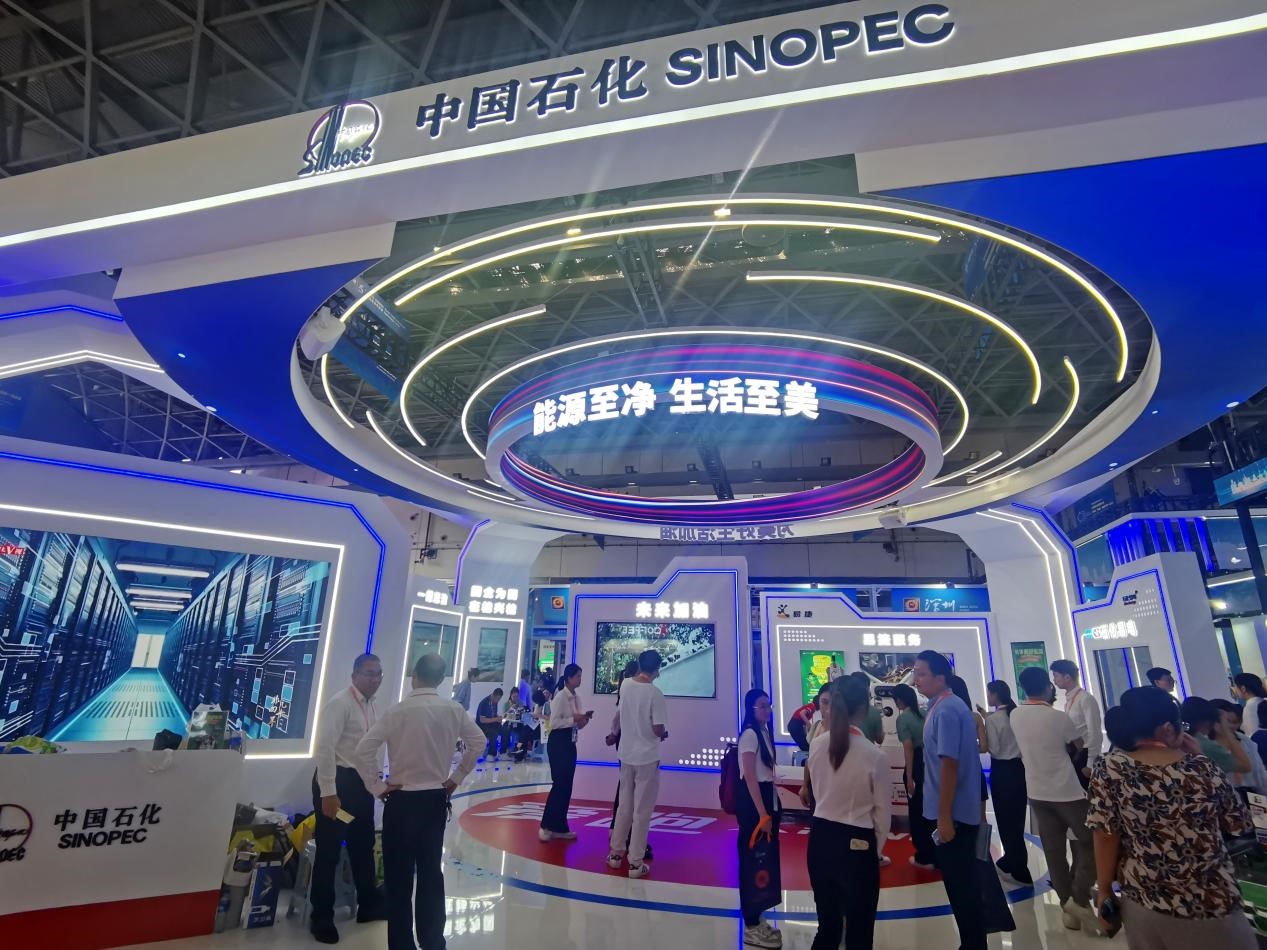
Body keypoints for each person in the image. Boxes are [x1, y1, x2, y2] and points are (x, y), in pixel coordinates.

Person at [1089, 686, 1256, 949]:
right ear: (1167, 729)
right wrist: (1199, 757)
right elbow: (1238, 823)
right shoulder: (1201, 766)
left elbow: (1105, 835)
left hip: (1144, 898)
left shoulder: (1109, 767)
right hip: (1211, 899)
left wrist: (1105, 890)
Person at [354, 653, 486, 950]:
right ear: (440, 679)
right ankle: (433, 942)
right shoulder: (453, 710)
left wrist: (377, 786)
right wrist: (456, 778)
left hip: (401, 800)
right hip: (435, 799)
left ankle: (402, 944)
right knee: (430, 874)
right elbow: (479, 742)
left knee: (399, 880)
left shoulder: (397, 711)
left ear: (414, 675)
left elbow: (363, 751)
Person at [801, 677, 890, 950]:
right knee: (859, 931)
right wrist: (874, 850)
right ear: (863, 708)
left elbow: (817, 790)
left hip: (820, 839)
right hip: (857, 844)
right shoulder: (874, 755)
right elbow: (883, 815)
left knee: (828, 927)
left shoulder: (817, 744)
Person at [1010, 666, 1095, 932]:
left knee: (1054, 851)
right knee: (1092, 840)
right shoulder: (1058, 717)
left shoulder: (1015, 715)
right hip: (1067, 791)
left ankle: (1067, 906)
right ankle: (1079, 897)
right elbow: (1079, 746)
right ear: (1048, 687)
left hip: (1036, 791)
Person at [309, 654, 387, 943]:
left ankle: (368, 904)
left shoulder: (371, 705)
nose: (375, 679)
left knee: (362, 846)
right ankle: (321, 917)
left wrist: (376, 785)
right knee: (329, 851)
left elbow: (367, 751)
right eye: (369, 673)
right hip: (337, 784)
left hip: (360, 785)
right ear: (354, 675)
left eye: (379, 674)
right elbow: (324, 749)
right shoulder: (340, 703)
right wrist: (329, 792)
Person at [913, 650, 987, 950]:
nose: (916, 680)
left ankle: (973, 944)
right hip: (950, 812)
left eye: (922, 674)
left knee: (962, 887)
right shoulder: (941, 706)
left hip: (954, 815)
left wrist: (944, 816)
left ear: (941, 677)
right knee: (958, 886)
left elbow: (949, 764)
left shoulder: (947, 710)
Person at [607, 650, 668, 878]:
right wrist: (662, 733)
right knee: (642, 811)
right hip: (647, 757)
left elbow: (621, 713)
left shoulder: (625, 685)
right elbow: (658, 729)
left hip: (626, 754)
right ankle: (635, 863)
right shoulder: (656, 694)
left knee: (624, 806)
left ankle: (616, 854)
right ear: (657, 669)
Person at [736, 689, 783, 948]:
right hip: (755, 804)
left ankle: (758, 915)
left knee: (763, 860)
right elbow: (750, 776)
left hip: (767, 798)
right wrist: (763, 813)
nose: (767, 710)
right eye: (762, 706)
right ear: (751, 709)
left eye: (768, 706)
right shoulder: (750, 735)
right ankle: (751, 923)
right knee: (752, 859)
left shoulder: (764, 732)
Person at [983, 680, 1031, 884]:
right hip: (1019, 769)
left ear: (995, 695)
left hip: (1002, 771)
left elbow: (994, 749)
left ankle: (1019, 869)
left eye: (989, 693)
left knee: (1005, 820)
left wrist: (983, 734)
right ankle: (1011, 861)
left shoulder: (993, 719)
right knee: (1017, 819)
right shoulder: (1017, 714)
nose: (988, 696)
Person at [606, 660, 654, 861]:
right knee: (632, 793)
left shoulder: (626, 688)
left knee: (626, 789)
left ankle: (620, 836)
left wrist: (613, 733)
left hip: (626, 744)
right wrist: (614, 733)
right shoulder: (634, 689)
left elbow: (618, 717)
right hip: (633, 746)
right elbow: (619, 717)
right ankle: (629, 841)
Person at [539, 663, 593, 842]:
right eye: (577, 676)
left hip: (570, 742)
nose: (580, 679)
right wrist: (573, 720)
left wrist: (583, 720)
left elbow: (575, 723)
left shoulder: (577, 698)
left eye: (580, 676)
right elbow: (554, 723)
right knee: (559, 784)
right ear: (569, 678)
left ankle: (560, 827)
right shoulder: (561, 696)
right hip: (558, 742)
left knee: (567, 786)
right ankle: (546, 825)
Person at [893, 683, 935, 870]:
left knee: (916, 811)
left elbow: (908, 748)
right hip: (930, 764)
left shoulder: (903, 719)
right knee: (930, 808)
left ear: (900, 700)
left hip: (916, 765)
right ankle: (934, 851)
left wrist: (909, 777)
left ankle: (923, 855)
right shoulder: (926, 714)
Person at [1050, 659, 1103, 789]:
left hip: (1085, 754)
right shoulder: (1069, 700)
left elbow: (1095, 732)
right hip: (1075, 752)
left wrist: (1090, 763)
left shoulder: (1086, 699)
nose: (1054, 680)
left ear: (1067, 677)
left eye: (1056, 676)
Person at [1182, 696, 1251, 779]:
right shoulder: (1207, 747)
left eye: (1234, 721)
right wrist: (1226, 731)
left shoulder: (1180, 741)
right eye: (1227, 721)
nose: (1232, 726)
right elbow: (1246, 766)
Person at [1212, 698, 1267, 793]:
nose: (1230, 726)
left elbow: (1259, 774)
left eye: (1234, 722)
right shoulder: (1206, 746)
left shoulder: (1244, 740)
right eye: (1225, 721)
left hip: (1253, 794)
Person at [850, 671, 885, 744]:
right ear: (867, 688)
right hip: (868, 750)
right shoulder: (874, 712)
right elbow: (879, 740)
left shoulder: (842, 709)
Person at [788, 685, 826, 752]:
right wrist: (809, 724)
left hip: (795, 725)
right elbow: (802, 713)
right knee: (805, 745)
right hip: (795, 725)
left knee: (805, 743)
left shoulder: (811, 708)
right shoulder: (811, 707)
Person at [475, 687, 506, 760]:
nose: (498, 701)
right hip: (482, 725)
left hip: (491, 723)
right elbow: (482, 720)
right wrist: (496, 719)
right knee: (493, 733)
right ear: (493, 696)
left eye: (499, 699)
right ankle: (491, 754)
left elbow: (493, 715)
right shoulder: (484, 703)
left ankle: (503, 752)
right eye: (498, 699)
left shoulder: (495, 702)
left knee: (505, 730)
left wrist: (498, 718)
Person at [1233, 673, 1267, 737]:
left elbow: (1252, 735)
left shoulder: (1250, 708)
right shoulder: (1262, 702)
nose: (1235, 690)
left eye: (1235, 687)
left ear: (1243, 689)